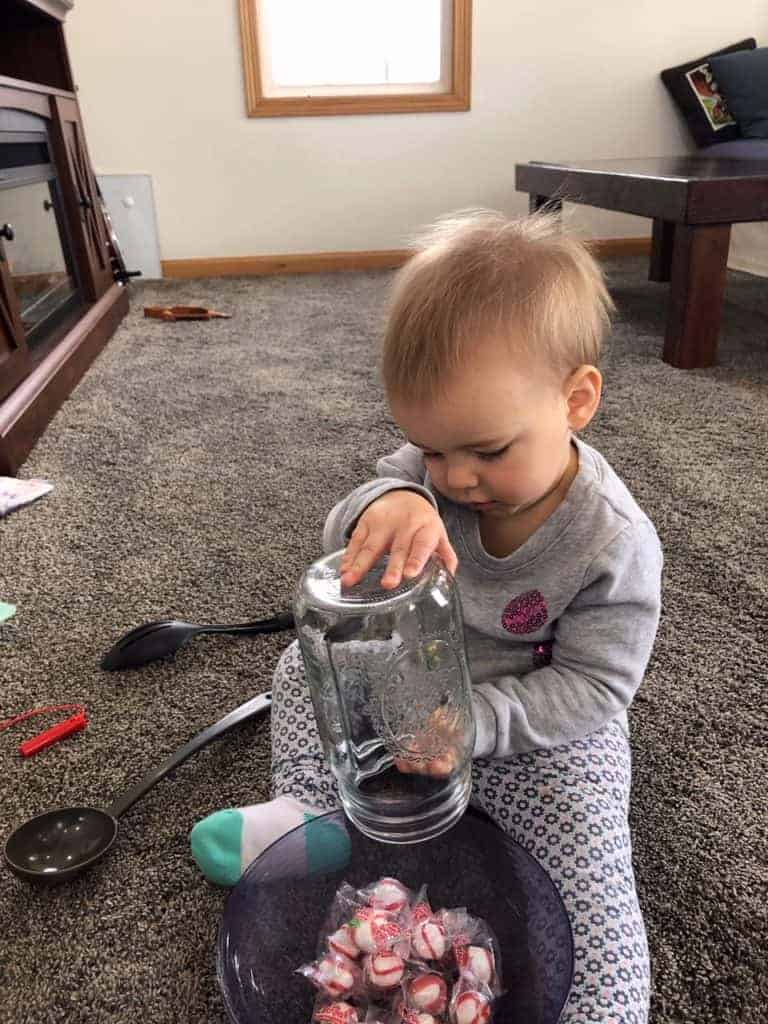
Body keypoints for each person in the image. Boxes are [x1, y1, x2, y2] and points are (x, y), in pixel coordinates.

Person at [191, 209, 663, 1023]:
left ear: (578, 400)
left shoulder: (611, 543)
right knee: (297, 674)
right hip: (408, 689)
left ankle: (598, 990)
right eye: (430, 448)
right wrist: (393, 498)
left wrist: (473, 726)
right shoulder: (430, 471)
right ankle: (311, 813)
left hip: (537, 723)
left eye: (486, 451)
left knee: (587, 860)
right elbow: (349, 534)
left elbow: (596, 688)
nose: (457, 477)